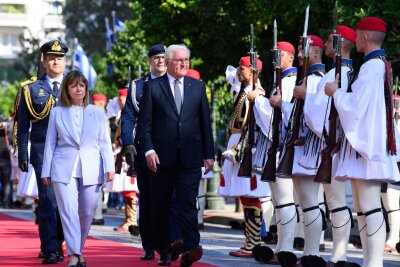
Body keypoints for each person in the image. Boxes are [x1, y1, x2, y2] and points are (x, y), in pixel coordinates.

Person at [325, 17, 400, 267]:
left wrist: (335, 92)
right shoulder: (374, 66)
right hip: (365, 146)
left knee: (370, 207)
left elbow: (356, 108)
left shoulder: (372, 68)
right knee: (363, 208)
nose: (355, 39)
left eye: (357, 35)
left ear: (365, 37)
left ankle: (374, 263)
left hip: (367, 148)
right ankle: (370, 261)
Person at [136, 44, 214, 267]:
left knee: (188, 202)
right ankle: (165, 249)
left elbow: (204, 123)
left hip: (190, 157)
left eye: (187, 60)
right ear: (168, 63)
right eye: (179, 60)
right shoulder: (153, 87)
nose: (184, 64)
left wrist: (208, 154)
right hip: (161, 158)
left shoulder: (197, 87)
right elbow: (144, 126)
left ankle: (191, 247)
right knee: (160, 205)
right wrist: (149, 150)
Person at [295, 25, 356, 265]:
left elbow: (315, 115)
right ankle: (335, 256)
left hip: (323, 146)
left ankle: (313, 254)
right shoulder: (344, 72)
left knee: (317, 202)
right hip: (331, 145)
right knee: (334, 202)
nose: (329, 44)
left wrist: (303, 97)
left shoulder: (333, 74)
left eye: (332, 40)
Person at [41, 70, 115, 267]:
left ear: (86, 88)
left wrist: (110, 167)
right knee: (68, 212)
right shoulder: (57, 112)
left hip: (92, 167)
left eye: (81, 85)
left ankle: (77, 250)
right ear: (67, 89)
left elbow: (105, 143)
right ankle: (74, 255)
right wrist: (45, 171)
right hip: (63, 168)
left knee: (87, 212)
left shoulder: (98, 113)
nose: (78, 88)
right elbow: (50, 143)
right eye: (74, 85)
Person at [270, 35, 326, 263]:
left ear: (314, 52)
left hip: (309, 149)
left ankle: (312, 253)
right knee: (305, 201)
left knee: (309, 201)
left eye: (304, 51)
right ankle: (306, 253)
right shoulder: (310, 78)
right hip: (302, 148)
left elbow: (311, 117)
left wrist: (285, 103)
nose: (301, 56)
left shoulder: (314, 79)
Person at [16, 39, 67, 264]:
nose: (56, 61)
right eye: (51, 57)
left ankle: (59, 241)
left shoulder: (75, 86)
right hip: (42, 152)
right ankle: (50, 249)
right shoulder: (31, 89)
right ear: (44, 61)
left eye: (60, 57)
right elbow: (23, 125)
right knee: (48, 202)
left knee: (67, 204)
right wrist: (23, 155)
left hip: (69, 153)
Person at [248, 41, 299, 262]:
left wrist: (258, 99)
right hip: (275, 148)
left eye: (279, 54)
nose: (274, 59)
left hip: (282, 148)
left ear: (290, 57)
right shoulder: (282, 82)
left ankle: (286, 247)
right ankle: (280, 247)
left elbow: (277, 120)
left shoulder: (289, 82)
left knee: (285, 199)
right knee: (279, 200)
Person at [218, 56, 270, 258]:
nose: (238, 72)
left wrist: (239, 149)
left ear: (252, 70)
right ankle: (250, 241)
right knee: (245, 196)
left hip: (248, 148)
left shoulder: (256, 94)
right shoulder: (245, 90)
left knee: (250, 197)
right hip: (240, 145)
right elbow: (230, 75)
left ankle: (254, 242)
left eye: (242, 69)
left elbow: (253, 126)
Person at [121, 44, 167, 261]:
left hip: (169, 146)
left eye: (163, 57)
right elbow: (128, 116)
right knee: (147, 198)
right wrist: (128, 143)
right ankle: (149, 244)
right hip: (143, 145)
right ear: (150, 61)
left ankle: (167, 244)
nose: (160, 61)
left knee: (169, 197)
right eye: (156, 57)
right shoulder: (137, 86)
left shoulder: (175, 83)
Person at [91, 93, 108, 225]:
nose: (100, 105)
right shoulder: (94, 114)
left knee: (97, 187)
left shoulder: (101, 116)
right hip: (94, 154)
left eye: (102, 102)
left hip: (99, 154)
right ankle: (96, 214)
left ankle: (98, 215)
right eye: (98, 102)